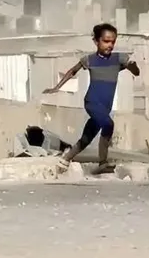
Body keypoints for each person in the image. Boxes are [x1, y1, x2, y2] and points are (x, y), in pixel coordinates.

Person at [43, 22, 140, 171]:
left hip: (105, 107)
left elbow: (136, 72)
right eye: (106, 41)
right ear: (96, 41)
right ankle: (103, 163)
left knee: (87, 137)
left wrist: (133, 67)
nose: (110, 45)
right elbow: (72, 71)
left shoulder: (119, 59)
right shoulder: (89, 60)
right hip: (92, 102)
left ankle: (65, 160)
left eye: (113, 42)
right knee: (109, 125)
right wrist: (56, 87)